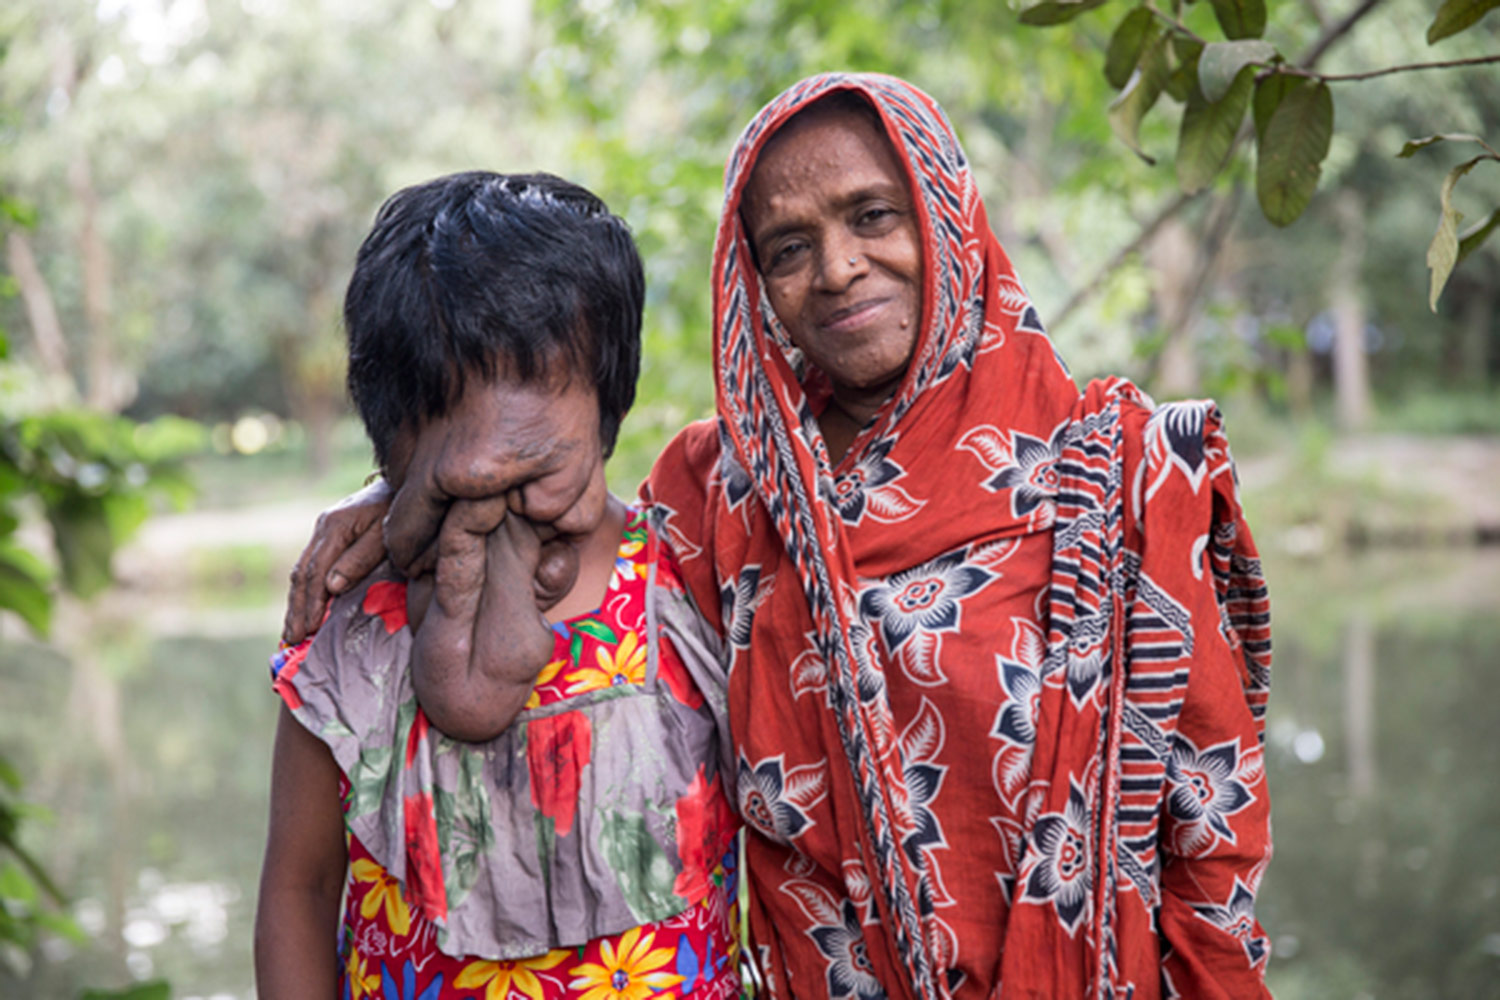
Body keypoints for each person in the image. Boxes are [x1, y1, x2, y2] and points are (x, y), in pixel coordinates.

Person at [284, 75, 1273, 999]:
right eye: (787, 247)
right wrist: (403, 482)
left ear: (948, 211)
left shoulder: (1124, 475)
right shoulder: (725, 492)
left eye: (873, 215)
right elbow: (542, 484)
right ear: (751, 278)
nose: (838, 268)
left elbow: (1212, 828)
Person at [256, 171, 740, 1000]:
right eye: (450, 454)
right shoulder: (357, 633)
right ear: (391, 445)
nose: (483, 471)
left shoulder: (690, 583)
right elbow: (296, 892)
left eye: (528, 451)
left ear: (605, 404)